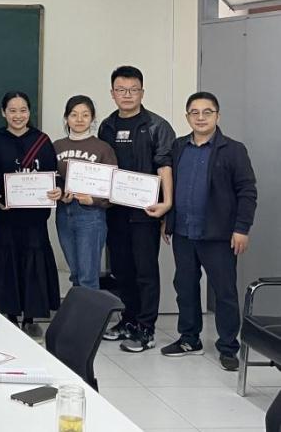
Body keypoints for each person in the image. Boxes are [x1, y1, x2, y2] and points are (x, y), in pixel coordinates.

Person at [161, 92, 256, 372]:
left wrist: (242, 228)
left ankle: (228, 347)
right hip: (184, 232)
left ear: (218, 115)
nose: (200, 117)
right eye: (195, 112)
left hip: (219, 234)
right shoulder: (179, 146)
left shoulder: (233, 149)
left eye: (207, 112)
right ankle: (189, 339)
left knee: (224, 292)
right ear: (187, 116)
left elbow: (247, 191)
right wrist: (168, 220)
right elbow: (169, 186)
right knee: (185, 287)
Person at [98, 65, 175, 353]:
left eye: (133, 90)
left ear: (142, 92)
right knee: (121, 269)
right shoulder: (107, 126)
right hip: (114, 211)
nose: (127, 95)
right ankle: (128, 319)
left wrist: (167, 203)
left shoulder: (157, 125)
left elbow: (165, 166)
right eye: (121, 90)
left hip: (146, 212)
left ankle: (146, 328)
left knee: (145, 270)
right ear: (112, 93)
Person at [0, 91, 62, 336]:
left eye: (23, 110)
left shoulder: (42, 141)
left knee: (33, 263)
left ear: (29, 112)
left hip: (33, 219)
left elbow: (54, 174)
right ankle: (9, 315)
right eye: (12, 110)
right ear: (3, 112)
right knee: (5, 262)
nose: (18, 115)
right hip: (4, 217)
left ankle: (30, 317)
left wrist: (57, 189)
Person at [53, 95, 117, 289]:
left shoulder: (103, 148)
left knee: (88, 277)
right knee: (75, 274)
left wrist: (94, 200)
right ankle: (79, 310)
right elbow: (53, 178)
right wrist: (60, 193)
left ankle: (90, 310)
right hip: (64, 214)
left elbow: (113, 186)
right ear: (66, 118)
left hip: (91, 215)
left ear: (92, 118)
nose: (79, 119)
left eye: (85, 115)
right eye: (74, 115)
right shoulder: (56, 146)